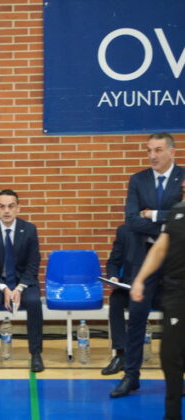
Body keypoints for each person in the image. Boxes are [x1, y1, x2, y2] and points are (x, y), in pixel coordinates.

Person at [111, 132, 183, 398]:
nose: (152, 155)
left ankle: (177, 378)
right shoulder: (138, 180)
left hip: (175, 262)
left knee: (176, 322)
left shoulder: (182, 179)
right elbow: (131, 221)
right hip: (144, 260)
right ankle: (132, 376)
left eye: (158, 150)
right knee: (137, 319)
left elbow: (183, 219)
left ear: (172, 152)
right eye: (149, 150)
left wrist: (154, 215)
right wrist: (172, 220)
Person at [130, 181, 185, 420]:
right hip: (176, 292)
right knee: (169, 356)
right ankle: (171, 415)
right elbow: (160, 249)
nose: (183, 183)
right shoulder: (177, 212)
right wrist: (140, 279)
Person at [0, 189, 44, 373]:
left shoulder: (29, 230)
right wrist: (4, 287)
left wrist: (20, 287)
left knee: (34, 302)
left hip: (23, 282)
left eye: (11, 206)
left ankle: (36, 354)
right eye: (2, 206)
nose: (6, 210)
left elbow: (33, 263)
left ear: (18, 208)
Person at [101, 224, 140, 376]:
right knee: (116, 300)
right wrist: (113, 277)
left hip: (153, 285)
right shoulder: (124, 230)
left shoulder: (160, 227)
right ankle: (120, 354)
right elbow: (113, 261)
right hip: (129, 284)